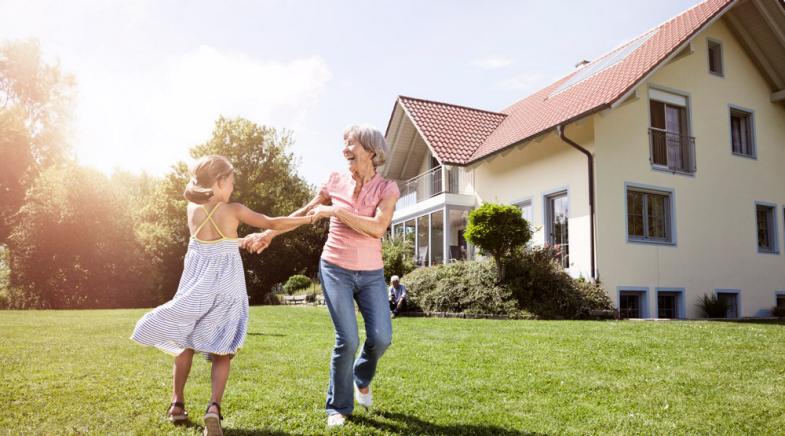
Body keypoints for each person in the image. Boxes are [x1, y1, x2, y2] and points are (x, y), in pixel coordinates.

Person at [131, 155, 312, 436]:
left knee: (185, 342)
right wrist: (309, 217)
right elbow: (272, 222)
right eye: (231, 182)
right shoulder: (234, 210)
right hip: (226, 286)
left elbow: (211, 245)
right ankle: (213, 408)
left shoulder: (192, 209)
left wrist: (242, 241)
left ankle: (177, 405)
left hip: (196, 284)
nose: (233, 188)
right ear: (220, 182)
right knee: (222, 349)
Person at [242, 125, 400, 427]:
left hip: (371, 273)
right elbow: (305, 212)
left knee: (381, 337)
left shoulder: (387, 189)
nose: (345, 149)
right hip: (335, 267)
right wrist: (270, 233)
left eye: (351, 143)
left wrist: (336, 213)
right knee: (348, 339)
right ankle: (337, 407)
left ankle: (361, 377)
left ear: (371, 150)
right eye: (344, 143)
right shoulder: (334, 181)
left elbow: (378, 228)